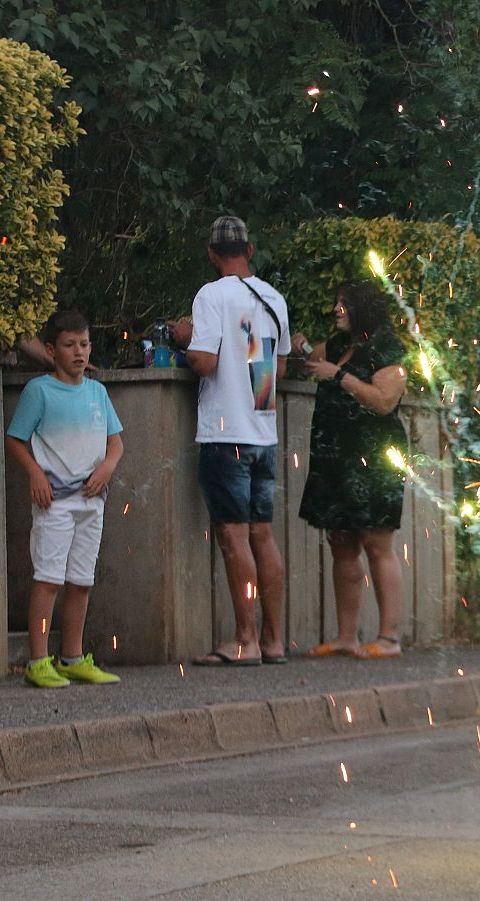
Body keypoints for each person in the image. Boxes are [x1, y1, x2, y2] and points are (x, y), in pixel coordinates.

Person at [172, 215, 291, 666]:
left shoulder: (211, 295)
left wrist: (184, 339)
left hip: (226, 435)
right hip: (263, 433)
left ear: (211, 253)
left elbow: (203, 362)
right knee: (263, 534)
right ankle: (274, 640)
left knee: (233, 536)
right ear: (250, 248)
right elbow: (275, 371)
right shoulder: (273, 298)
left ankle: (244, 640)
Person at [5, 310, 124, 688]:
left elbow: (116, 442)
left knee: (81, 581)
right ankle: (38, 661)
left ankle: (72, 657)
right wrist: (36, 473)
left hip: (93, 501)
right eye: (70, 345)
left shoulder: (97, 392)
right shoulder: (39, 391)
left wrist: (107, 467)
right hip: (55, 502)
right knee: (49, 579)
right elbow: (15, 438)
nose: (79, 352)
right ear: (50, 349)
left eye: (84, 344)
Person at [295, 281, 410, 659]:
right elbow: (314, 358)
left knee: (377, 544)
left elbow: (383, 401)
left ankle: (389, 638)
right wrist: (298, 345)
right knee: (341, 543)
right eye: (336, 302)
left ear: (364, 308)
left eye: (344, 304)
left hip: (374, 460)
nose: (336, 309)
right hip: (336, 459)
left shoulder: (387, 348)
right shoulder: (340, 345)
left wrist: (339, 376)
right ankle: (347, 636)